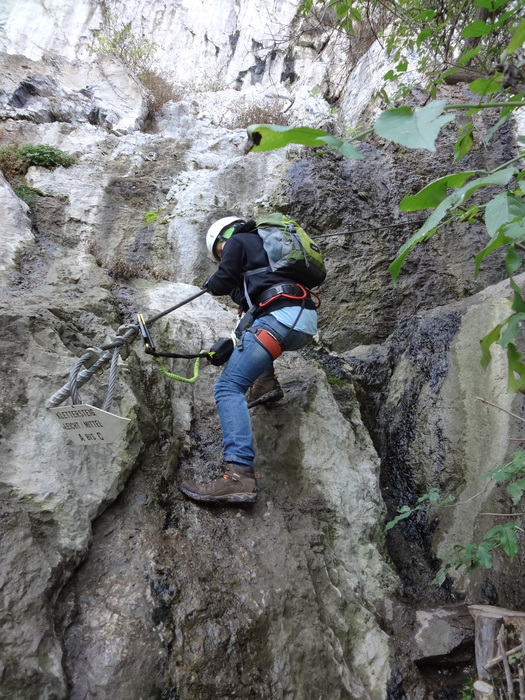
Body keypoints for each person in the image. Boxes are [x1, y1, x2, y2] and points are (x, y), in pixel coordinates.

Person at [179, 215, 319, 504]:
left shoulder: (239, 239)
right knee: (250, 336)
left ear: (222, 241)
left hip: (277, 321)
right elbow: (246, 309)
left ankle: (238, 475)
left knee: (227, 388)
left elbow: (223, 278)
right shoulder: (267, 256)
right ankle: (266, 383)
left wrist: (209, 283)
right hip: (301, 321)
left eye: (219, 252)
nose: (221, 256)